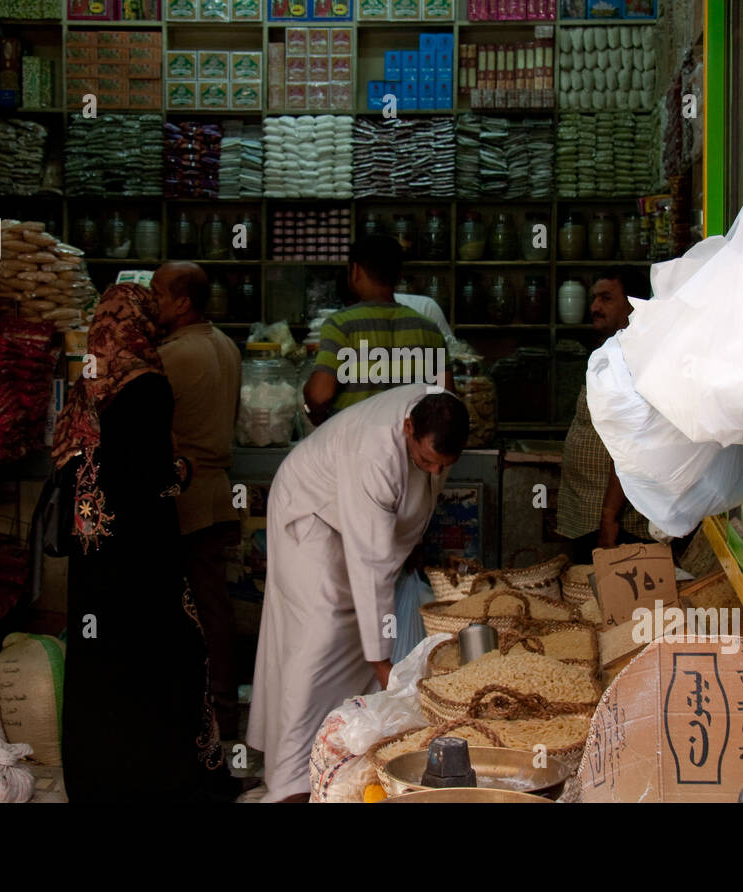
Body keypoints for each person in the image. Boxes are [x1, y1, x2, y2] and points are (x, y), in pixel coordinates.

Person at [246, 385, 470, 802]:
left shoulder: (440, 417)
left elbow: (413, 502)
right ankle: (291, 781)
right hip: (313, 518)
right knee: (318, 642)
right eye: (427, 461)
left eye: (446, 465)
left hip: (354, 528)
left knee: (358, 642)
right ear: (407, 428)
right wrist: (383, 662)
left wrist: (382, 661)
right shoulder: (373, 452)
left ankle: (343, 763)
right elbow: (372, 567)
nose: (436, 472)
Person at [51, 283, 229, 802]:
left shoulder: (92, 378)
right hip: (140, 548)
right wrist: (185, 468)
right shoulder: (148, 383)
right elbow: (150, 475)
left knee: (101, 656)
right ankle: (164, 778)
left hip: (93, 550)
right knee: (167, 650)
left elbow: (80, 462)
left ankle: (102, 778)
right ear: (143, 322)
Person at [151, 261, 243, 742]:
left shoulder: (170, 356)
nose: (151, 302)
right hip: (215, 493)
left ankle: (196, 717)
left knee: (188, 610)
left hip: (183, 495)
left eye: (157, 293)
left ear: (182, 302)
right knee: (214, 607)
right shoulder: (226, 346)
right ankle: (223, 713)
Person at [556, 268, 653, 564]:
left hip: (615, 522)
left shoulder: (636, 358)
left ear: (633, 304)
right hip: (587, 513)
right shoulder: (610, 351)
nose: (594, 307)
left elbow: (630, 442)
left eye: (606, 299)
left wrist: (609, 516)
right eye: (594, 298)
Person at [303, 234, 453, 425]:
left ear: (355, 271)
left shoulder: (341, 325)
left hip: (354, 447)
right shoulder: (429, 329)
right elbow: (445, 398)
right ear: (399, 276)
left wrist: (309, 404)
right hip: (406, 448)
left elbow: (320, 395)